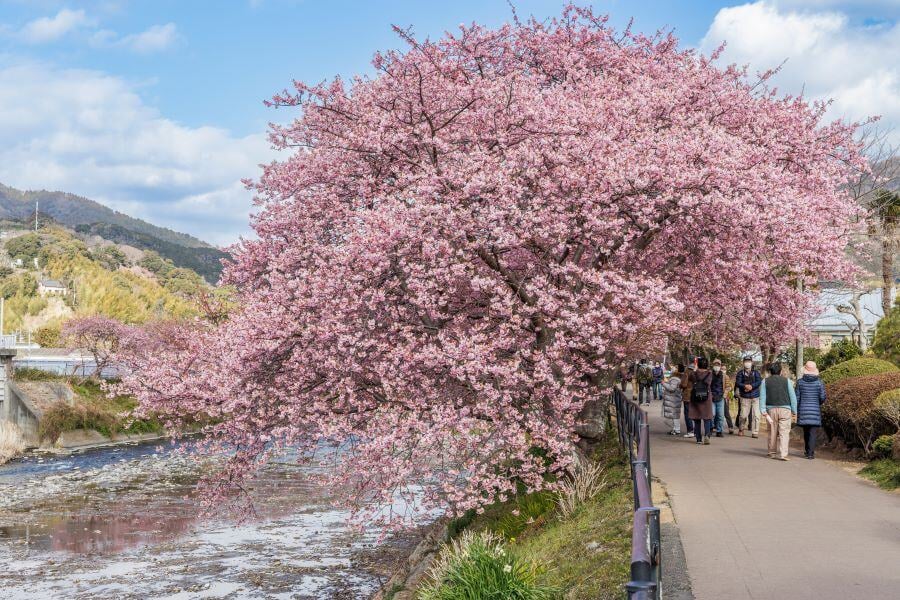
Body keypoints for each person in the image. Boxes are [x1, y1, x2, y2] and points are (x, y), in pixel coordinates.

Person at [759, 361, 797, 460]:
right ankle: (784, 454)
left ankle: (772, 452)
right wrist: (794, 411)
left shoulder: (765, 381)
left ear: (770, 372)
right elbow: (792, 397)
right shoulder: (787, 381)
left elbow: (762, 397)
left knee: (772, 431)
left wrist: (763, 410)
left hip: (771, 410)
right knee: (784, 432)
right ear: (780, 372)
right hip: (785, 409)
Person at [795, 360, 826, 459]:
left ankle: (807, 450)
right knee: (813, 433)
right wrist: (817, 404)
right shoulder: (819, 383)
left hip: (803, 410)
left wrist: (797, 409)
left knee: (806, 432)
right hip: (815, 410)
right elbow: (822, 397)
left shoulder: (800, 382)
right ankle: (810, 453)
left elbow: (797, 398)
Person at [734, 356, 762, 438]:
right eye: (746, 361)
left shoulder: (756, 372)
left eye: (749, 361)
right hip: (745, 397)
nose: (747, 363)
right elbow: (738, 383)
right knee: (743, 415)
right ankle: (741, 429)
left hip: (755, 397)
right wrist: (745, 386)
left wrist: (751, 386)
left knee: (757, 415)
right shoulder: (740, 373)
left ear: (752, 362)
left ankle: (755, 432)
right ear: (743, 362)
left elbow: (759, 381)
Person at [688, 357, 714, 444]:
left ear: (698, 364)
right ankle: (707, 435)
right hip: (706, 398)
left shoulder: (694, 373)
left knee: (697, 419)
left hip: (696, 397)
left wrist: (695, 371)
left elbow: (690, 378)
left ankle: (698, 439)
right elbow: (709, 383)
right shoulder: (710, 374)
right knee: (707, 419)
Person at [661, 367, 683, 435]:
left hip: (673, 399)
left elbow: (672, 388)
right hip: (675, 399)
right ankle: (675, 429)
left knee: (674, 416)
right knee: (674, 415)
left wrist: (664, 384)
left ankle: (676, 429)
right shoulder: (679, 378)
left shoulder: (675, 379)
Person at [710, 359, 727, 437]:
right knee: (712, 414)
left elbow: (729, 386)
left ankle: (719, 431)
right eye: (715, 365)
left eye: (718, 365)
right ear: (713, 365)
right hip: (711, 397)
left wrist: (725, 394)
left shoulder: (724, 376)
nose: (716, 366)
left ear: (720, 366)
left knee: (720, 415)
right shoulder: (709, 374)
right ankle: (710, 427)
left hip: (720, 398)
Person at [680, 364, 695, 437]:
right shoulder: (697, 371)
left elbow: (684, 384)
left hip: (687, 395)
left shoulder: (687, 372)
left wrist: (680, 385)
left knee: (687, 413)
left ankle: (690, 431)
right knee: (695, 413)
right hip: (696, 395)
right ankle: (696, 430)